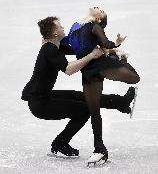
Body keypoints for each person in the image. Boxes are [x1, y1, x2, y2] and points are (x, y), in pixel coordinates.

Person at [21, 16, 136, 159]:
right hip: (40, 104)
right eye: (60, 26)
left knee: (83, 97)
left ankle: (121, 103)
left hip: (44, 96)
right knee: (83, 110)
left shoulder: (56, 45)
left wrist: (113, 50)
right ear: (55, 34)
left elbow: (83, 49)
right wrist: (92, 56)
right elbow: (69, 69)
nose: (63, 27)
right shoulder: (49, 49)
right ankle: (59, 144)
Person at [57, 7, 140, 159]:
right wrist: (51, 42)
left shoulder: (95, 26)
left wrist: (116, 44)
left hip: (99, 65)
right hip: (87, 71)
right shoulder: (75, 26)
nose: (98, 8)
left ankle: (119, 61)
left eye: (101, 11)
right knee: (94, 110)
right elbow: (69, 46)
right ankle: (100, 149)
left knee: (134, 78)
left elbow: (106, 43)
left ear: (99, 19)